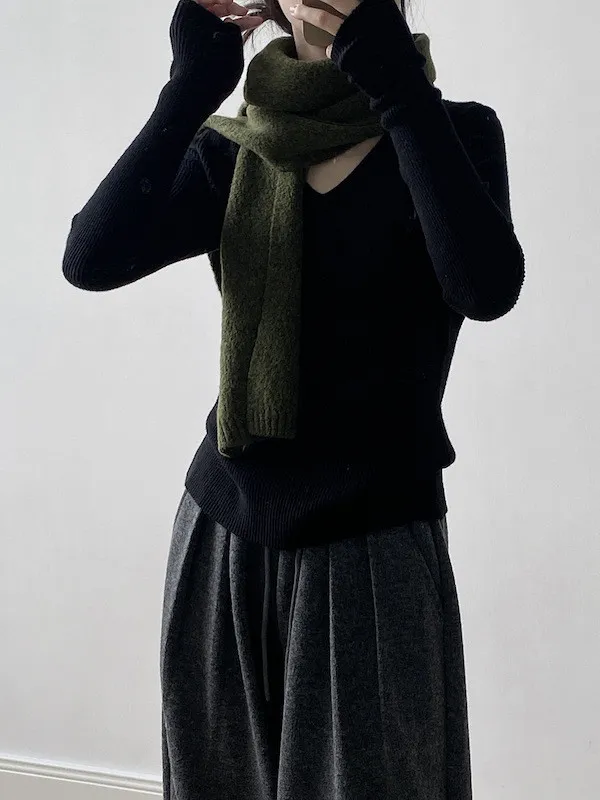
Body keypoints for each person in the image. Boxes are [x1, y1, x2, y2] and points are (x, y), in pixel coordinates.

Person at [62, 0, 525, 797]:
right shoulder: (237, 147)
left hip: (373, 554)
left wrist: (396, 86)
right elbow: (90, 259)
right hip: (222, 538)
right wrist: (189, 87)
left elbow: (484, 288)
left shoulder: (453, 133)